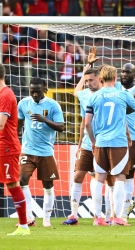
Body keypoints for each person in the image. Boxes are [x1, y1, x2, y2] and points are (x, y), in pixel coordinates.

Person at [85, 65, 135, 226]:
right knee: (120, 178)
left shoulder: (93, 97)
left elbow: (87, 123)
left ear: (101, 78)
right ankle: (117, 218)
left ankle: (97, 218)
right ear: (115, 78)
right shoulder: (122, 95)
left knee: (99, 178)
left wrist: (94, 142)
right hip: (118, 142)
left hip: (100, 142)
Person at [18, 77, 64, 227]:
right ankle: (29, 218)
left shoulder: (53, 105)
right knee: (22, 180)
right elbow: (18, 125)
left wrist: (45, 120)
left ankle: (46, 219)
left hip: (45, 152)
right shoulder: (23, 104)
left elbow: (61, 127)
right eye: (32, 92)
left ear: (44, 88)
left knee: (48, 185)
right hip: (27, 150)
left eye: (37, 92)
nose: (35, 95)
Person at [62, 68, 106, 226]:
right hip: (88, 143)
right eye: (86, 81)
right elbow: (83, 121)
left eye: (91, 80)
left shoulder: (107, 94)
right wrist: (80, 144)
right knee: (77, 176)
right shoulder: (85, 95)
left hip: (103, 143)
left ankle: (100, 216)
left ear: (100, 78)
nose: (88, 84)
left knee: (100, 179)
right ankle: (73, 214)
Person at [0, 63, 30, 236]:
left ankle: (24, 225)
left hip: (7, 147)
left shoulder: (6, 95)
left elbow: (1, 124)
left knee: (12, 183)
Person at [119, 63, 135, 222]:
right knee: (114, 176)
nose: (124, 74)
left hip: (132, 140)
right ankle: (117, 209)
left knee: (128, 176)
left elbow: (130, 109)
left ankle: (123, 212)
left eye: (128, 72)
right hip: (115, 139)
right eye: (122, 71)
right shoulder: (115, 89)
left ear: (134, 75)